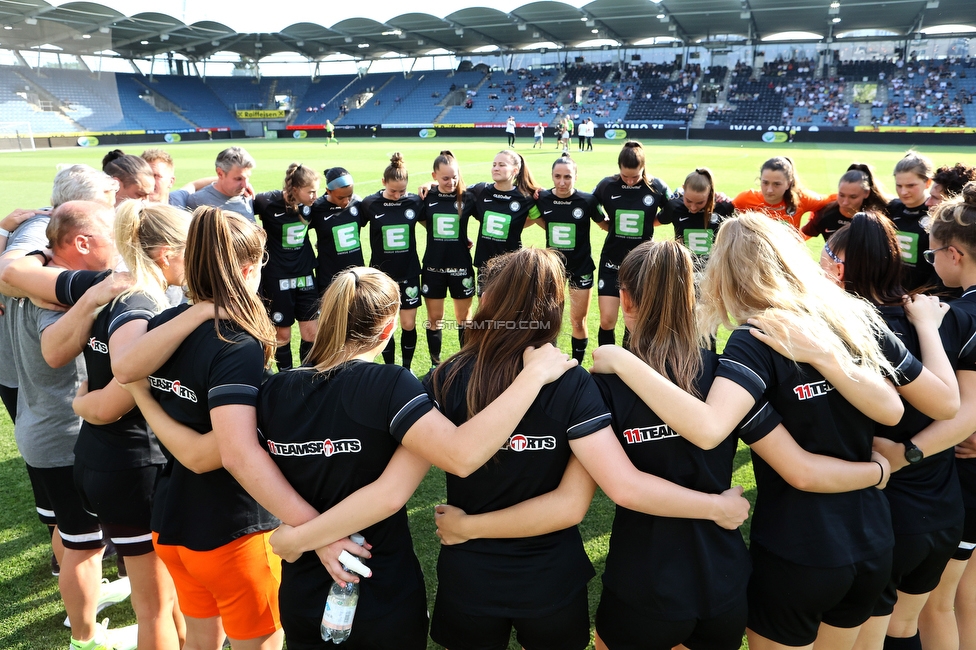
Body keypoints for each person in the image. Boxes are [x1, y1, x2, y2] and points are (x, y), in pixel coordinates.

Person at [590, 212, 927, 650]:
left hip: (782, 552)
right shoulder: (830, 323)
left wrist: (621, 360)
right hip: (846, 546)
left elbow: (705, 434)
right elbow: (892, 409)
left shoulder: (748, 345)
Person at [424, 247, 753, 650]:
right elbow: (573, 505)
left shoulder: (442, 379)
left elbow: (604, 494)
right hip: (579, 581)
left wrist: (468, 528)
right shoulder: (727, 378)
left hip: (485, 577)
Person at [255, 266, 577, 650]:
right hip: (380, 586)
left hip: (301, 590)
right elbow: (450, 461)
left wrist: (304, 538)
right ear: (389, 328)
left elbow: (247, 465)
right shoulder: (389, 384)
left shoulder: (273, 389)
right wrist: (533, 376)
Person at [13, 202, 193, 650]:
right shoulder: (142, 306)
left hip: (99, 458)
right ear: (167, 253)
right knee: (155, 608)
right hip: (134, 463)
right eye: (192, 251)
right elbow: (119, 390)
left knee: (169, 597)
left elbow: (49, 339)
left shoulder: (104, 284)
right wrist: (87, 406)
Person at [113, 208, 289, 650]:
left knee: (199, 642)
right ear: (248, 269)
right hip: (233, 530)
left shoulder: (162, 324)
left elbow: (125, 370)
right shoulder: (237, 346)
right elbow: (209, 454)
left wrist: (144, 397)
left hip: (173, 522)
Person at [821, 212, 976, 650]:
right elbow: (961, 412)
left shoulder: (851, 333)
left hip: (888, 513)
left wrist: (902, 454)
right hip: (943, 509)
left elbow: (953, 408)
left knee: (865, 635)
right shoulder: (937, 318)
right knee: (909, 626)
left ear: (841, 264)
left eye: (827, 254)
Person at [0, 201, 134, 650]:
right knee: (86, 543)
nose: (119, 250)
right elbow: (57, 350)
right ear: (80, 243)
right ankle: (86, 635)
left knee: (69, 530)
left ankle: (85, 606)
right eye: (110, 237)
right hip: (62, 433)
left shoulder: (29, 277)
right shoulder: (58, 295)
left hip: (40, 424)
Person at [918, 184, 976, 650]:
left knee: (938, 602)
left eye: (932, 251)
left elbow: (958, 408)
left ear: (954, 253)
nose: (928, 260)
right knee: (966, 595)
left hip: (965, 478)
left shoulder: (958, 317)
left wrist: (903, 454)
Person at [592, 140, 671, 347]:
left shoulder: (657, 187)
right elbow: (588, 204)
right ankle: (605, 367)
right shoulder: (607, 185)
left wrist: (651, 223)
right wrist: (604, 224)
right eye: (625, 176)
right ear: (618, 168)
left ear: (644, 168)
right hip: (611, 261)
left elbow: (675, 208)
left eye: (634, 176)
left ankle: (628, 365)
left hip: (642, 264)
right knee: (607, 320)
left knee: (633, 322)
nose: (628, 181)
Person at [253, 163, 320, 371]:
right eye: (310, 191)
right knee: (282, 334)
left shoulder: (312, 207)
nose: (314, 196)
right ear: (294, 189)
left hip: (305, 276)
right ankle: (285, 377)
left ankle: (306, 375)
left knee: (311, 332)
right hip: (277, 277)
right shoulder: (266, 202)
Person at [359, 153, 423, 370]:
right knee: (385, 325)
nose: (397, 195)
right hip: (382, 276)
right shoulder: (369, 204)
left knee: (407, 324)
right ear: (383, 182)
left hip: (409, 271)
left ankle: (406, 368)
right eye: (393, 190)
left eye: (402, 191)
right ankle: (389, 368)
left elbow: (431, 219)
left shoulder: (414, 201)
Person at [536, 154, 601, 363]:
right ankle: (549, 362)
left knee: (577, 321)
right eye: (557, 176)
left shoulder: (588, 201)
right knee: (549, 320)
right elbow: (534, 218)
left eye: (567, 177)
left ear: (576, 176)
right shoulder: (543, 198)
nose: (562, 182)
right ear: (552, 176)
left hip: (581, 267)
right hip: (553, 270)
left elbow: (605, 223)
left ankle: (577, 364)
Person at [418, 151, 475, 369]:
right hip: (433, 266)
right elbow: (425, 221)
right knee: (435, 319)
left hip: (461, 266)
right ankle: (435, 363)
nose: (451, 182)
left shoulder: (468, 197)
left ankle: (465, 362)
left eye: (454, 177)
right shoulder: (426, 197)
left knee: (464, 319)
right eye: (445, 178)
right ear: (434, 175)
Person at [469, 150, 541, 294]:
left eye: (502, 165)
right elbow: (453, 190)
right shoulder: (480, 190)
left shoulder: (525, 198)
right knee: (485, 310)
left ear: (515, 170)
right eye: (494, 164)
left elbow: (537, 219)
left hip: (511, 265)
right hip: (485, 263)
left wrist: (520, 225)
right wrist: (431, 184)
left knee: (509, 310)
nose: (496, 168)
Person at [732, 156, 834, 231]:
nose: (769, 190)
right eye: (765, 183)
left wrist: (804, 235)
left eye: (777, 184)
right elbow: (724, 211)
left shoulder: (801, 199)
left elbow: (832, 200)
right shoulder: (745, 199)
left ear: (788, 184)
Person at [659, 168, 735, 268]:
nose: (693, 207)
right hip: (684, 271)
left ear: (710, 193)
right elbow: (653, 222)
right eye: (688, 200)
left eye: (700, 202)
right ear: (683, 189)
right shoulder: (674, 206)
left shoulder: (723, 207)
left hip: (714, 272)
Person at [802, 163, 891, 240]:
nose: (845, 202)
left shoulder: (877, 218)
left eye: (853, 197)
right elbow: (802, 236)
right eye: (841, 195)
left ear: (866, 193)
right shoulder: (825, 213)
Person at [888, 150, 937, 291]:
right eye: (899, 185)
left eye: (910, 185)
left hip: (924, 297)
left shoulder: (937, 213)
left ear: (928, 182)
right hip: (891, 294)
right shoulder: (891, 209)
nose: (903, 192)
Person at [309, 167, 362, 295]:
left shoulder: (358, 204)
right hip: (329, 276)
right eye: (340, 197)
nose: (346, 201)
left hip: (357, 274)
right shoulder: (317, 208)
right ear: (328, 191)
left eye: (349, 195)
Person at [169, 147, 256, 221]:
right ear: (220, 173)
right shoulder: (198, 202)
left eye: (247, 178)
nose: (245, 185)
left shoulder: (248, 196)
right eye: (238, 179)